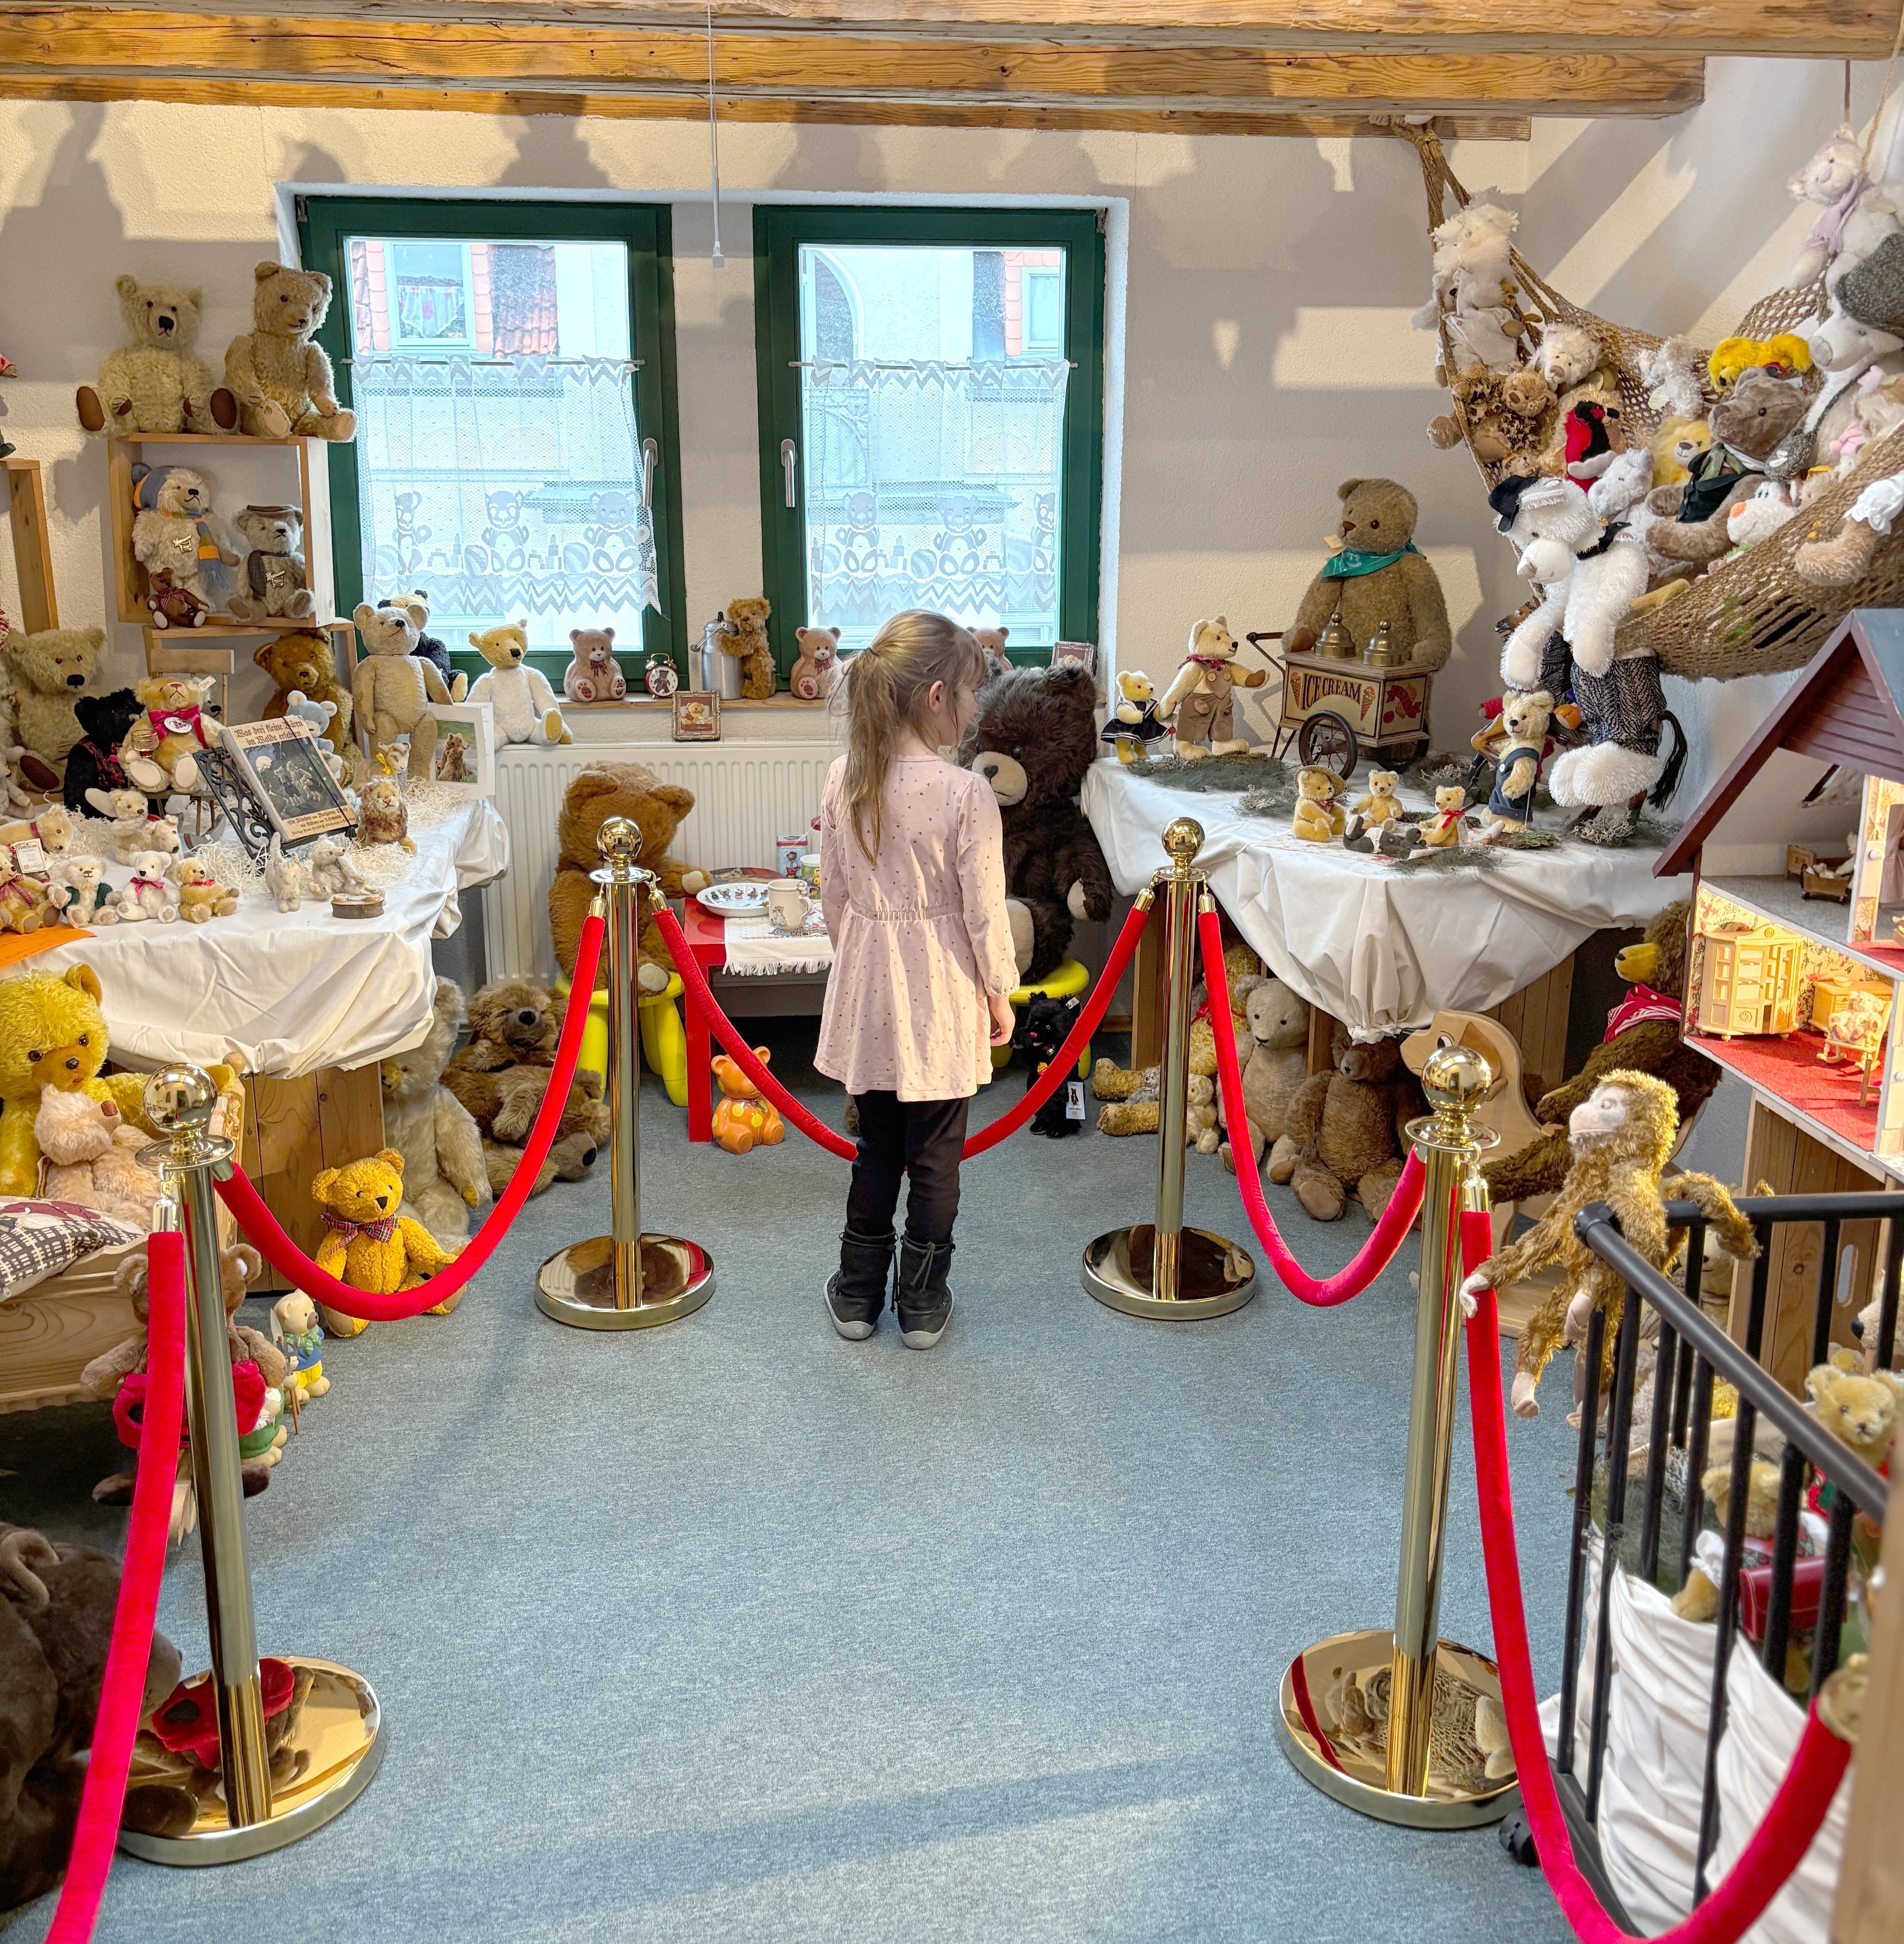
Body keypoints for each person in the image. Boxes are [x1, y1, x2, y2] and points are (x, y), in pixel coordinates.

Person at [816, 609, 1019, 1349]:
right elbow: (984, 910)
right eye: (971, 694)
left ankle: (858, 1294)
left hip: (869, 989)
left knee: (876, 1146)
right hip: (940, 996)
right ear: (937, 696)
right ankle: (924, 1302)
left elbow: (833, 895)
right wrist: (999, 991)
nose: (973, 713)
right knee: (936, 1155)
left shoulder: (843, 775)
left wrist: (865, 960)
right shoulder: (967, 793)